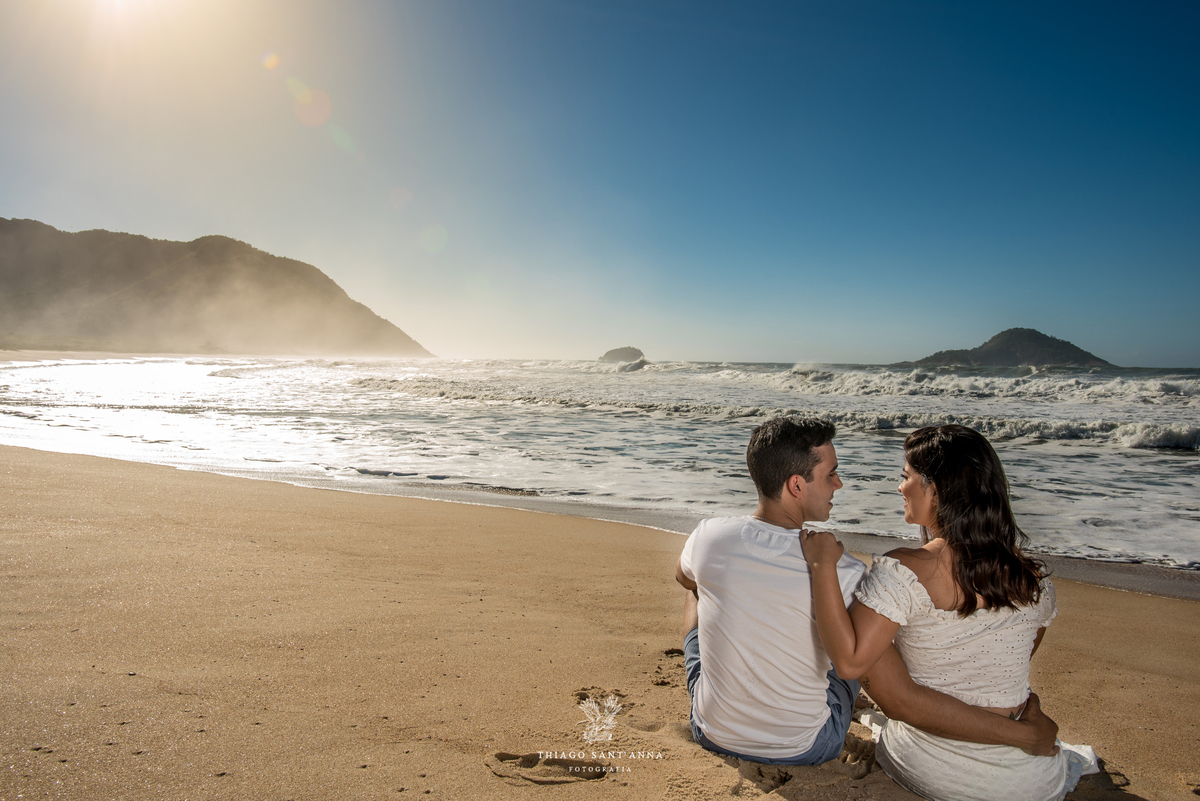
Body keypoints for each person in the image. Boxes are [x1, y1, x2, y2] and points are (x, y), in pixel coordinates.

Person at [677, 417, 1061, 767]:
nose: (839, 484)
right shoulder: (846, 572)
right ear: (796, 485)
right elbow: (868, 675)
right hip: (807, 744)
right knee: (846, 636)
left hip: (711, 730)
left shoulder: (707, 536)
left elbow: (685, 580)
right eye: (831, 474)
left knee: (700, 591)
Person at [800, 424, 1085, 800]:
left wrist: (822, 565)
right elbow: (1006, 661)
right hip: (1034, 777)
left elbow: (852, 662)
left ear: (935, 490)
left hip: (942, 767)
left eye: (906, 477)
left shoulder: (903, 571)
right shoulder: (1033, 580)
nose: (900, 487)